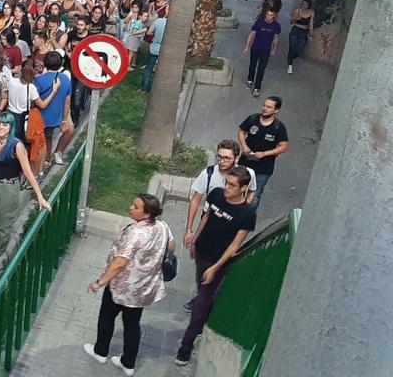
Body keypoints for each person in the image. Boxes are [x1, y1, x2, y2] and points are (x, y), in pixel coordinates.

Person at [84, 194, 174, 376]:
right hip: (143, 288)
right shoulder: (162, 226)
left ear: (147, 214)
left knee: (107, 317)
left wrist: (100, 282)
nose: (131, 208)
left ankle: (101, 351)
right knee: (132, 324)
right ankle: (128, 363)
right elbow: (171, 246)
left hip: (122, 287)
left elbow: (119, 262)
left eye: (136, 206)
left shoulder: (135, 233)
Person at [175, 166, 256, 366]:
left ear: (243, 188)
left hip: (217, 262)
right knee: (202, 289)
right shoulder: (217, 194)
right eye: (227, 182)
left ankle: (186, 346)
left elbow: (235, 245)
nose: (227, 187)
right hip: (202, 253)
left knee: (202, 300)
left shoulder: (247, 214)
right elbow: (207, 217)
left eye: (232, 185)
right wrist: (195, 239)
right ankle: (205, 318)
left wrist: (216, 267)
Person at [0, 113, 51, 280]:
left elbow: (28, 172)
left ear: (11, 127)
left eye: (5, 125)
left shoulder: (17, 146)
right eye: (0, 124)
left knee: (3, 229)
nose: (1, 127)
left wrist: (40, 197)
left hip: (9, 188)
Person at [236, 97, 289, 211]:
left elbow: (284, 147)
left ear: (276, 110)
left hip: (263, 169)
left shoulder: (278, 127)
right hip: (245, 163)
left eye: (269, 107)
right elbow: (241, 131)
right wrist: (244, 146)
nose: (264, 108)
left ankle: (245, 220)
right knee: (235, 188)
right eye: (264, 105)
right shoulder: (253, 119)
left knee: (254, 196)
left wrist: (264, 154)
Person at [244, 9, 281, 98]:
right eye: (267, 14)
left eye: (270, 15)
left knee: (261, 69)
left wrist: (274, 50)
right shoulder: (259, 22)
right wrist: (247, 46)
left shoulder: (276, 26)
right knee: (252, 65)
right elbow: (252, 34)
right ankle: (250, 80)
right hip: (255, 48)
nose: (268, 16)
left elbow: (276, 38)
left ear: (274, 16)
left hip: (265, 50)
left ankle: (257, 88)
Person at [287, 0, 314, 74]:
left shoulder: (311, 12)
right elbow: (291, 22)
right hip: (295, 30)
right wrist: (296, 18)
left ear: (308, 6)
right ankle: (290, 65)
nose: (303, 6)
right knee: (292, 47)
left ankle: (292, 57)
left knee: (300, 49)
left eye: (305, 5)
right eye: (302, 4)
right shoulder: (297, 11)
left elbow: (311, 24)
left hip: (304, 32)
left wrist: (311, 34)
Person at [141, 15, 166, 93]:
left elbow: (148, 32)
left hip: (155, 48)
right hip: (166, 50)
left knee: (148, 68)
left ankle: (145, 88)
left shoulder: (158, 21)